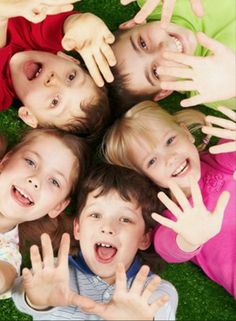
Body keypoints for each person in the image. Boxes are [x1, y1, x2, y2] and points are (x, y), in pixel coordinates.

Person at [102, 101, 236, 298]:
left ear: (186, 133)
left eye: (170, 141)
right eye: (152, 161)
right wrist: (189, 239)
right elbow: (168, 249)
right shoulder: (172, 220)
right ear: (146, 178)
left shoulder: (219, 158)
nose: (170, 158)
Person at [12, 164, 178, 320]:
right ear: (77, 228)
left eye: (125, 219)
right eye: (95, 215)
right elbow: (21, 292)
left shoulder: (156, 290)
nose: (107, 227)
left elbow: (164, 309)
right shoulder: (54, 272)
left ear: (144, 238)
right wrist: (36, 300)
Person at [0, 2, 116, 137]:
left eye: (54, 102)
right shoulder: (44, 38)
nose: (54, 80)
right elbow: (64, 27)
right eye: (71, 77)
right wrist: (80, 23)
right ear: (69, 59)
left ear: (28, 115)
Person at [0, 128, 89, 299]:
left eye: (54, 181)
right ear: (5, 161)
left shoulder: (7, 252)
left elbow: (5, 278)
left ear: (58, 207)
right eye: (31, 162)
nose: (35, 180)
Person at [109, 0, 235, 115]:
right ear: (165, 91)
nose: (164, 49)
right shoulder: (210, 89)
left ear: (132, 25)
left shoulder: (157, 4)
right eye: (155, 72)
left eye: (143, 44)